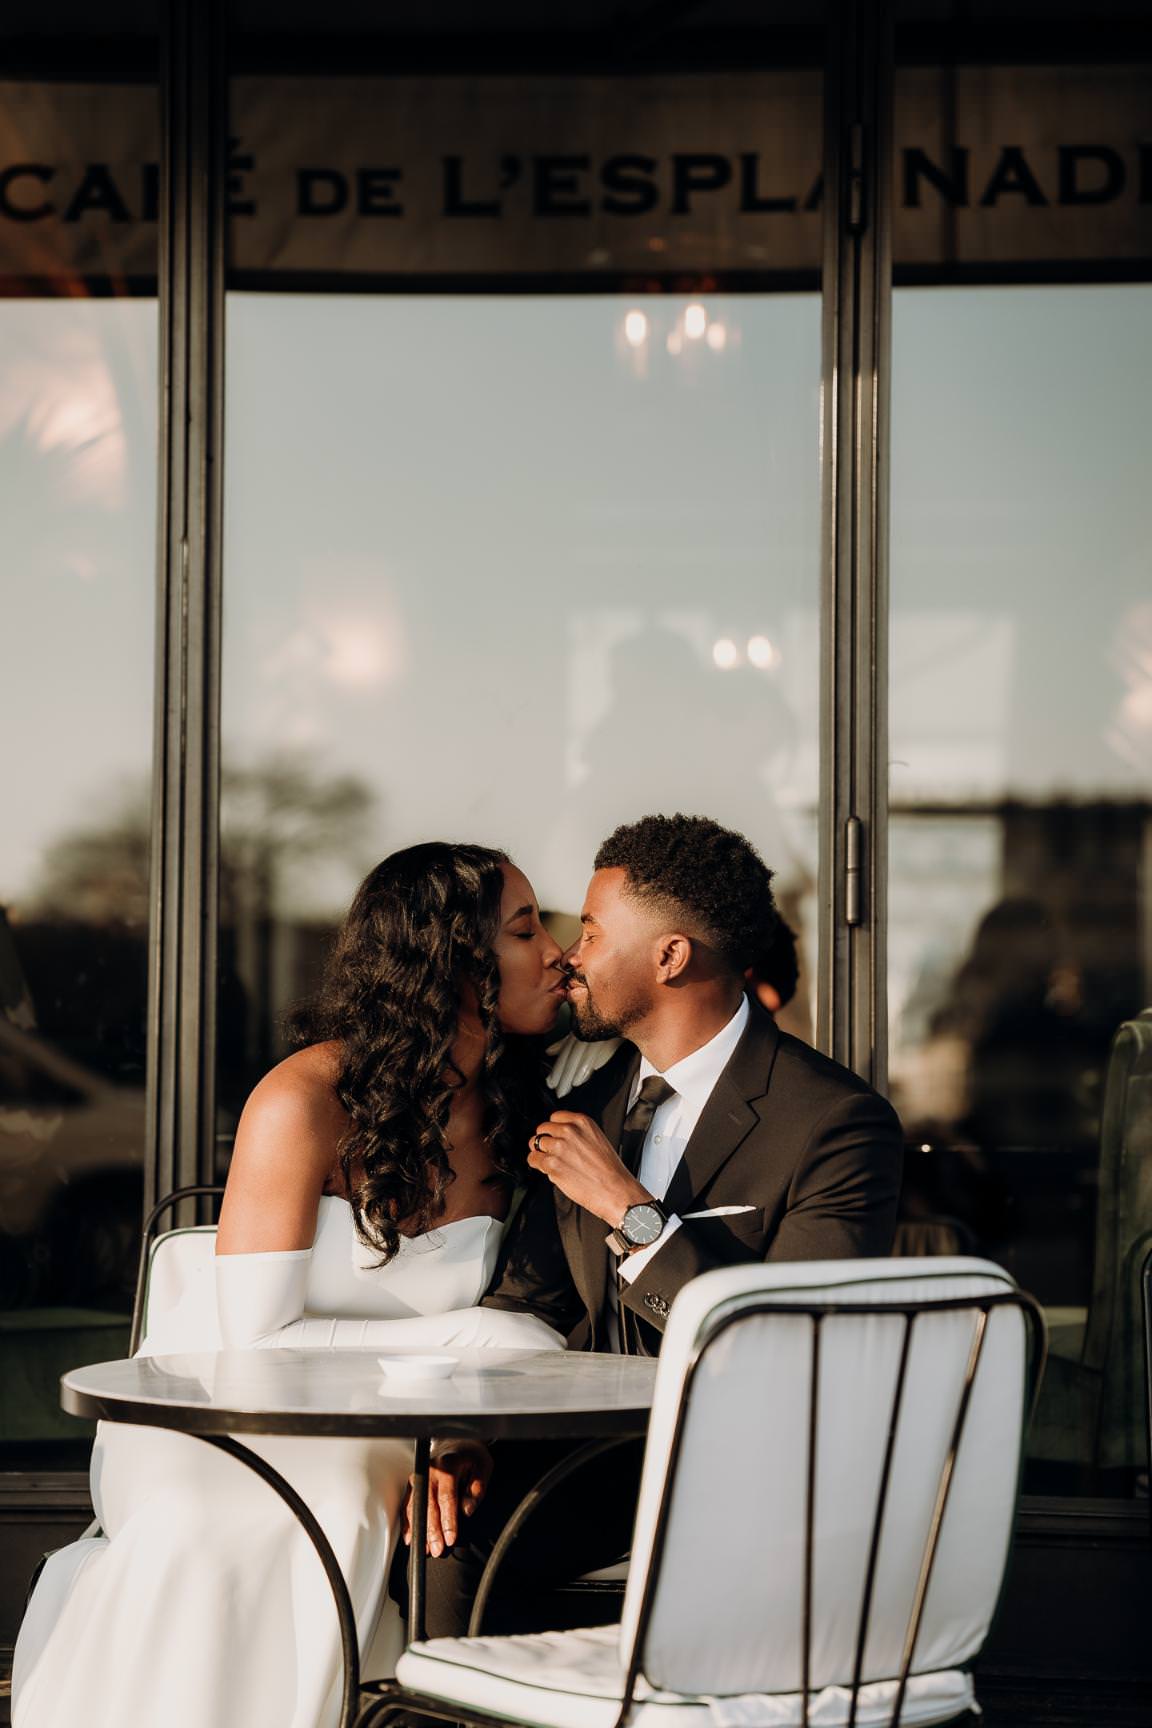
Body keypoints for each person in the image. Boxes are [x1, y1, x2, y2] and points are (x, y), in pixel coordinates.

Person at [13, 842, 570, 1728]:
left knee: (373, 1494)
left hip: (394, 1427)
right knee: (311, 1511)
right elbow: (252, 1346)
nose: (557, 951)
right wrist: (470, 1351)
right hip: (214, 1413)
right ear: (450, 957)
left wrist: (460, 1432)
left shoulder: (525, 1118)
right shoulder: (304, 1099)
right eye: (524, 928)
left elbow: (539, 1318)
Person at [413, 813, 904, 1636]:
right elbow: (525, 1306)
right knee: (439, 1534)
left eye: (595, 934)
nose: (570, 954)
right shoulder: (585, 1108)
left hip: (746, 1469)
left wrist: (634, 1215)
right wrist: (467, 1438)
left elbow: (789, 1349)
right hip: (585, 1465)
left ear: (671, 956)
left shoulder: (835, 1123)